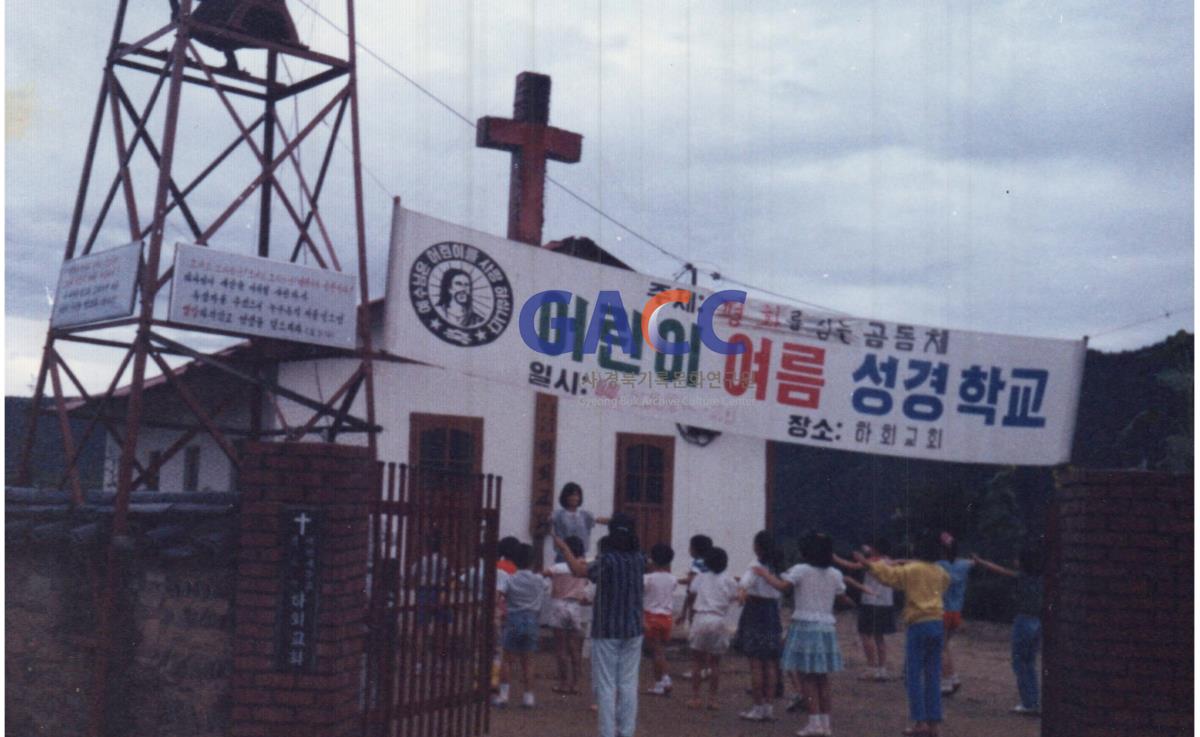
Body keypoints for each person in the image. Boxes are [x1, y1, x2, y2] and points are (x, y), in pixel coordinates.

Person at [757, 532, 862, 737]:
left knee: (807, 679)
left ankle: (814, 724)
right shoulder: (834, 573)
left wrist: (764, 574)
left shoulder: (801, 570)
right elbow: (842, 598)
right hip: (826, 628)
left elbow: (782, 586)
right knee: (822, 679)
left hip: (805, 626)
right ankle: (825, 724)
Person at [555, 513, 644, 737]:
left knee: (605, 685)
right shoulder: (639, 559)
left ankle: (607, 732)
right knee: (628, 683)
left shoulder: (607, 560)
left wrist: (565, 549)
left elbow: (578, 571)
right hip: (633, 628)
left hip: (606, 629)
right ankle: (626, 731)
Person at [857, 531, 951, 737]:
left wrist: (869, 564)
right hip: (937, 622)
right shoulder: (940, 571)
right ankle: (934, 723)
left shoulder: (913, 569)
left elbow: (889, 577)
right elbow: (945, 584)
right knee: (933, 675)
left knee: (912, 675)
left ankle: (920, 723)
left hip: (918, 623)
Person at [972, 546, 1044, 716]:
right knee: (1030, 663)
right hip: (1038, 622)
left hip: (1024, 620)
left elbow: (999, 570)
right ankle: (1033, 701)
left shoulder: (1021, 577)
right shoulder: (1041, 579)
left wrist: (980, 561)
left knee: (1020, 663)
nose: (1015, 561)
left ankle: (1029, 703)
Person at [733, 530, 784, 722]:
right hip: (772, 613)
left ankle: (757, 706)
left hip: (755, 612)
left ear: (757, 547)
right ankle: (768, 707)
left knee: (755, 664)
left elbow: (745, 584)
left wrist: (740, 591)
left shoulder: (755, 565)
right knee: (770, 663)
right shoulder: (778, 566)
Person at [834, 537, 898, 681]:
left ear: (876, 549)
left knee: (865, 635)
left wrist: (834, 557)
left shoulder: (871, 562)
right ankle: (882, 669)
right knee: (879, 637)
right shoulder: (888, 561)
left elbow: (850, 565)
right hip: (886, 602)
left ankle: (871, 668)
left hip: (871, 602)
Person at [684, 546, 739, 711]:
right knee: (715, 663)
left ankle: (695, 698)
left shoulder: (701, 577)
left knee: (696, 661)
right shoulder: (729, 580)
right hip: (718, 619)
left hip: (701, 617)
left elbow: (692, 590)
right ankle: (713, 699)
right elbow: (734, 596)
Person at [494, 543, 548, 708]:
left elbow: (499, 595)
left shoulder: (510, 578)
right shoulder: (539, 579)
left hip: (514, 618)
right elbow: (545, 587)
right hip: (532, 619)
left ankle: (503, 696)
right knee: (528, 661)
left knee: (507, 660)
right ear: (532, 561)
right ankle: (528, 697)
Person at [545, 535, 589, 695]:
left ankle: (563, 683)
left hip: (558, 605)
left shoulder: (557, 567)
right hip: (575, 606)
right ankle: (575, 683)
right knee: (574, 648)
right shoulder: (584, 566)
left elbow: (543, 574)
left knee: (561, 648)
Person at [936, 532, 974, 695]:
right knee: (945, 647)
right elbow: (976, 562)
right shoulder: (965, 564)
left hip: (942, 611)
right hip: (957, 612)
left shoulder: (938, 565)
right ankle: (953, 677)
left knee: (940, 648)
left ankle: (945, 683)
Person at [643, 543, 678, 696]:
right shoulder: (673, 579)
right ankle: (659, 682)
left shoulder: (648, 578)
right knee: (660, 651)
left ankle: (664, 679)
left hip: (651, 617)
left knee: (656, 652)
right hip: (667, 618)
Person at [551, 482, 610, 560]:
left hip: (580, 557)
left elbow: (599, 520)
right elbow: (547, 524)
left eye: (576, 495)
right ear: (565, 496)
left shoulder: (585, 515)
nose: (574, 498)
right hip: (563, 555)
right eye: (571, 495)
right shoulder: (557, 515)